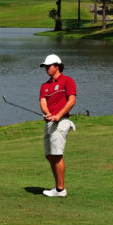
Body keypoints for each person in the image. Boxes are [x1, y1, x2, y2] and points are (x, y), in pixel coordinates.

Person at [39, 54, 77, 197]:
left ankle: (60, 189)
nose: (47, 69)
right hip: (50, 122)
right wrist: (48, 113)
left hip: (62, 122)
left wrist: (58, 115)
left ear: (57, 66)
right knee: (49, 155)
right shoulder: (45, 86)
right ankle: (57, 187)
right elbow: (43, 102)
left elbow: (71, 101)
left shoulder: (67, 81)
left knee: (57, 154)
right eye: (45, 66)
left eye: (49, 66)